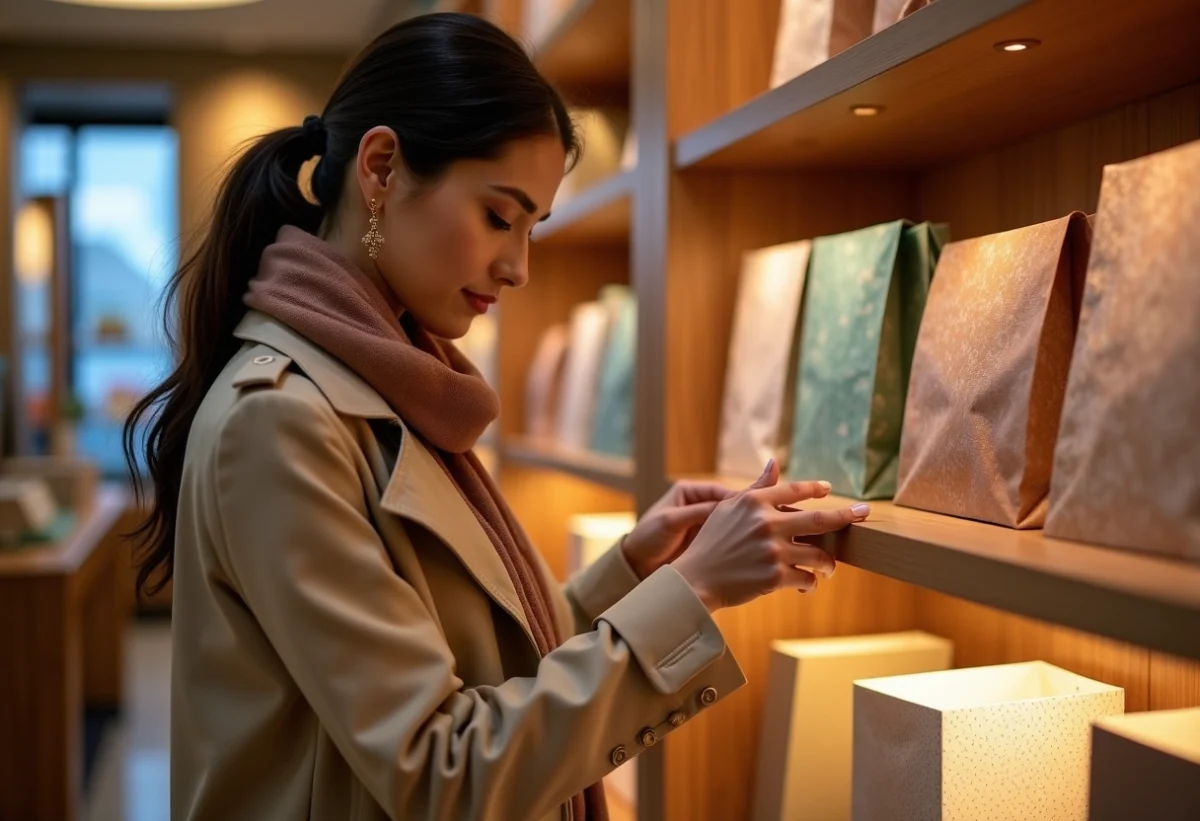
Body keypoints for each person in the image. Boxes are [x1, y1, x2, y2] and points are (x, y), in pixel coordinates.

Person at [124, 13, 869, 821]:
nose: (517, 267)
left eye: (532, 227)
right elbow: (441, 770)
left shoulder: (387, 384)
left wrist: (637, 568)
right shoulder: (281, 423)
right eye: (498, 217)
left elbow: (481, 670)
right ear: (381, 168)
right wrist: (696, 589)